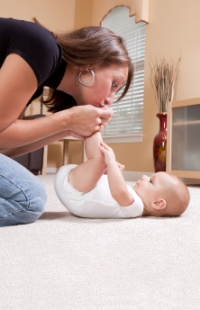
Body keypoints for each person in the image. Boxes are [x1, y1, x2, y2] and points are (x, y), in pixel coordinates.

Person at [0, 17, 133, 226]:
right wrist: (68, 119)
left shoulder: (40, 77)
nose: (110, 100)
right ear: (91, 64)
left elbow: (3, 147)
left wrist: (68, 130)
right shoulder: (42, 46)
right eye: (114, 84)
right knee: (29, 199)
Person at [54, 132, 190, 219]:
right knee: (101, 161)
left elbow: (118, 193)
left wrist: (111, 163)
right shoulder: (133, 200)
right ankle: (91, 125)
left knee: (100, 157)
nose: (144, 177)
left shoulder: (136, 207)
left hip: (75, 193)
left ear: (157, 203)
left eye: (150, 181)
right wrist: (111, 171)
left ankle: (91, 124)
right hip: (78, 185)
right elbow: (114, 188)